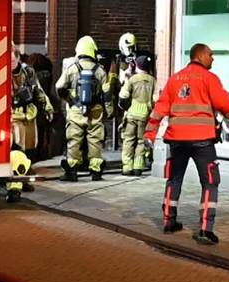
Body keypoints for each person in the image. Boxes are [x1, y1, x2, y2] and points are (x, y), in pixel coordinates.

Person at [143, 43, 229, 245]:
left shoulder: (174, 79)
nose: (213, 58)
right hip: (202, 141)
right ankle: (205, 229)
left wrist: (150, 134)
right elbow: (224, 104)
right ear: (200, 56)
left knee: (174, 179)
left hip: (176, 140)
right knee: (210, 182)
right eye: (210, 55)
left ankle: (169, 221)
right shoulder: (209, 78)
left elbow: (160, 108)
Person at [55, 36, 108, 181]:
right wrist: (109, 110)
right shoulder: (100, 71)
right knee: (95, 140)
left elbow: (59, 87)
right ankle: (96, 171)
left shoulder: (72, 69)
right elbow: (107, 93)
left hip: (76, 111)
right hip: (95, 111)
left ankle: (71, 172)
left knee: (74, 140)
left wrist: (69, 99)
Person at [10, 46, 53, 160]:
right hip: (14, 116)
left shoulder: (28, 71)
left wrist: (48, 108)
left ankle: (28, 164)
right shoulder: (3, 72)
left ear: (18, 58)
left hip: (29, 115)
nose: (11, 64)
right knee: (17, 147)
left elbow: (38, 90)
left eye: (13, 61)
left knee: (31, 146)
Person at [118, 54, 156, 175]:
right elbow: (155, 99)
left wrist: (125, 107)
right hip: (145, 115)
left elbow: (123, 95)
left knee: (129, 140)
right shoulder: (153, 81)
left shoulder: (132, 79)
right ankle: (138, 167)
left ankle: (127, 167)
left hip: (132, 115)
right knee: (141, 141)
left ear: (137, 66)